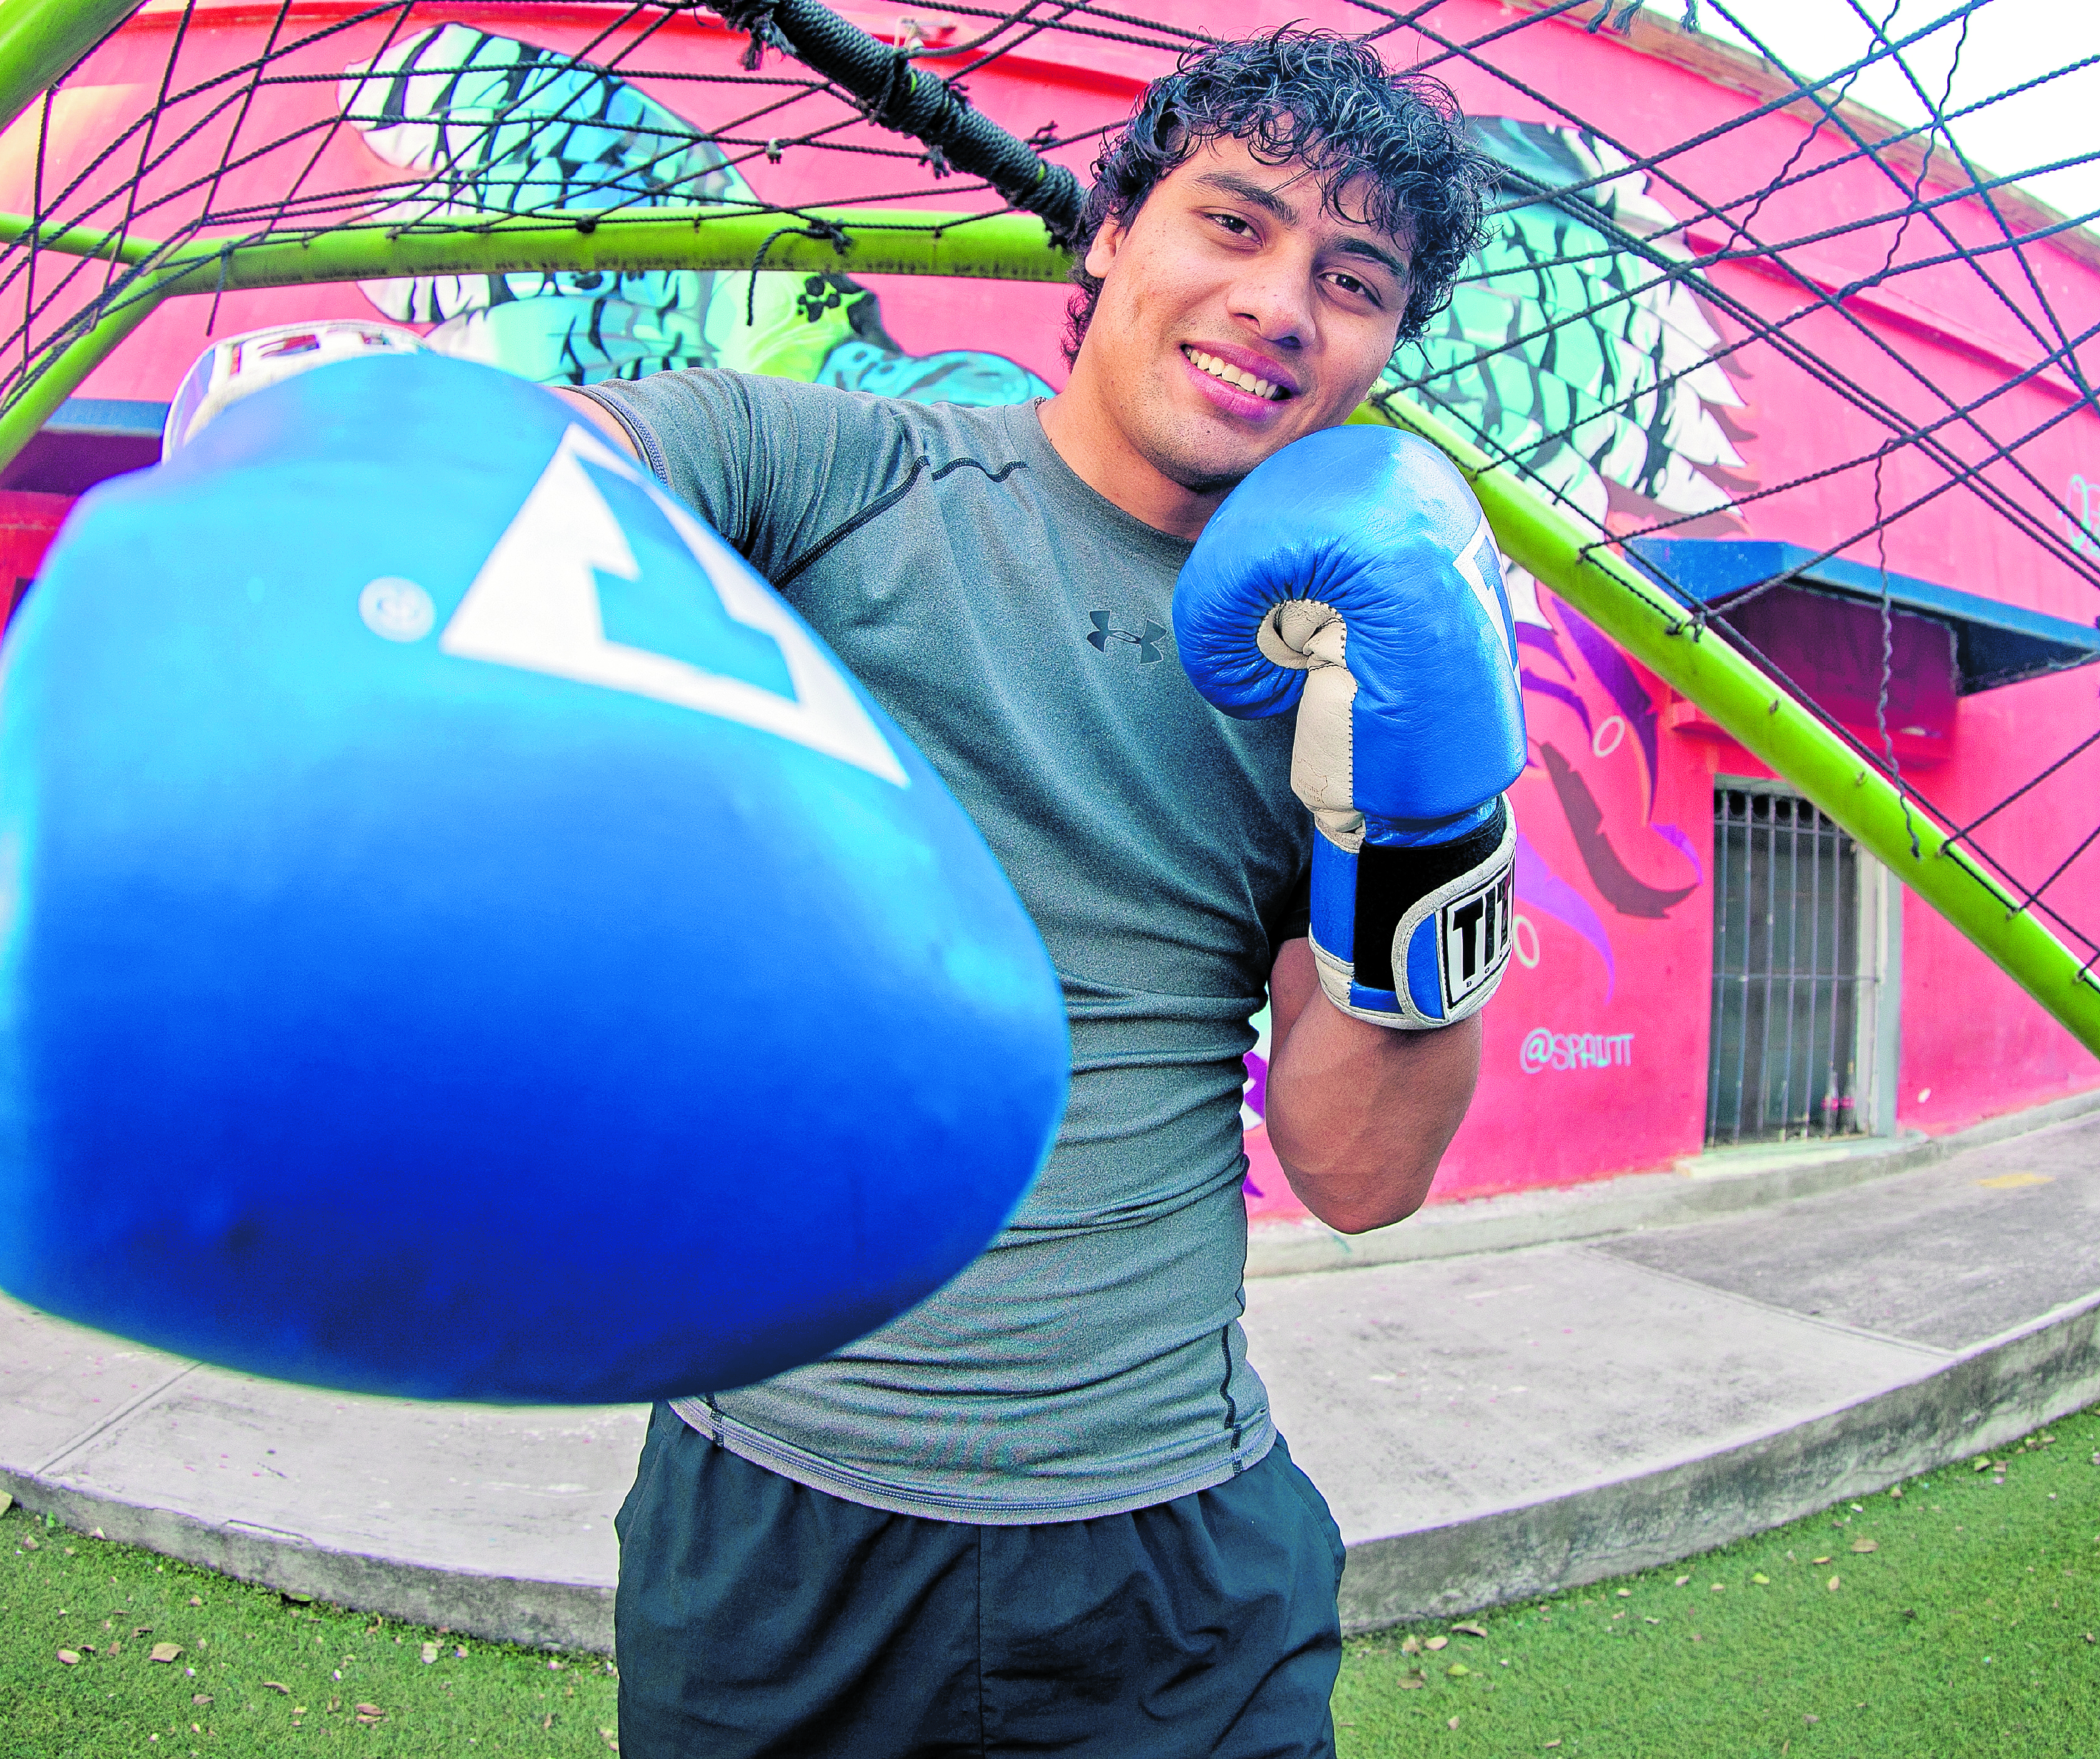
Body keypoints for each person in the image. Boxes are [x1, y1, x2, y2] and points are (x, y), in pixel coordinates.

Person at [563, 28, 1510, 1756]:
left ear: (1376, 347)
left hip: (1164, 1552)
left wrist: (1431, 808)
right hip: (778, 1511)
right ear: (1108, 236)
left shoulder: (1347, 669)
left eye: (1351, 277)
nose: (1282, 302)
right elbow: (525, 479)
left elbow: (1362, 1174)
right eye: (1233, 224)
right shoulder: (836, 478)